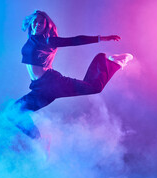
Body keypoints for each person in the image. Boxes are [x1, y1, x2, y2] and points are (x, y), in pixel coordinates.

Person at [13, 10, 133, 139]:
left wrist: (101, 38)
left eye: (41, 23)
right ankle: (39, 141)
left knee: (94, 87)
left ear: (46, 26)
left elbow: (75, 40)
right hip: (38, 89)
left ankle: (110, 61)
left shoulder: (48, 41)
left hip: (51, 83)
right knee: (13, 112)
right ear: (31, 23)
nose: (37, 24)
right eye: (35, 22)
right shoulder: (31, 39)